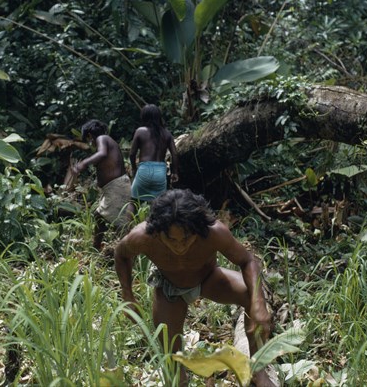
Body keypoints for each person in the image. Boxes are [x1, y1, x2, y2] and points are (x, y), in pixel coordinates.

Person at [114, 189, 275, 386]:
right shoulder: (143, 236)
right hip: (169, 288)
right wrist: (128, 295)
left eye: (187, 238)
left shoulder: (214, 232)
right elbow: (121, 255)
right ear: (158, 232)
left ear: (198, 230)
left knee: (249, 294)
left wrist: (258, 304)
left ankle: (259, 370)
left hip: (209, 278)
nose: (180, 246)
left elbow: (247, 260)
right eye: (171, 240)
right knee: (172, 360)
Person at [71, 119, 134, 251]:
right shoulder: (106, 141)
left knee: (119, 224)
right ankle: (95, 249)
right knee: (99, 216)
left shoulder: (102, 139)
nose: (90, 143)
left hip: (116, 187)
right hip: (113, 188)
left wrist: (83, 164)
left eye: (88, 140)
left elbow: (102, 154)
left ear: (89, 135)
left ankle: (129, 254)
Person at [129, 104, 179, 202]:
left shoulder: (140, 131)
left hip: (144, 169)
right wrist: (175, 172)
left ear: (144, 117)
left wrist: (134, 168)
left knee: (133, 201)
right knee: (158, 204)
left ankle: (128, 218)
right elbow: (175, 154)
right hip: (160, 172)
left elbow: (132, 154)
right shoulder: (166, 133)